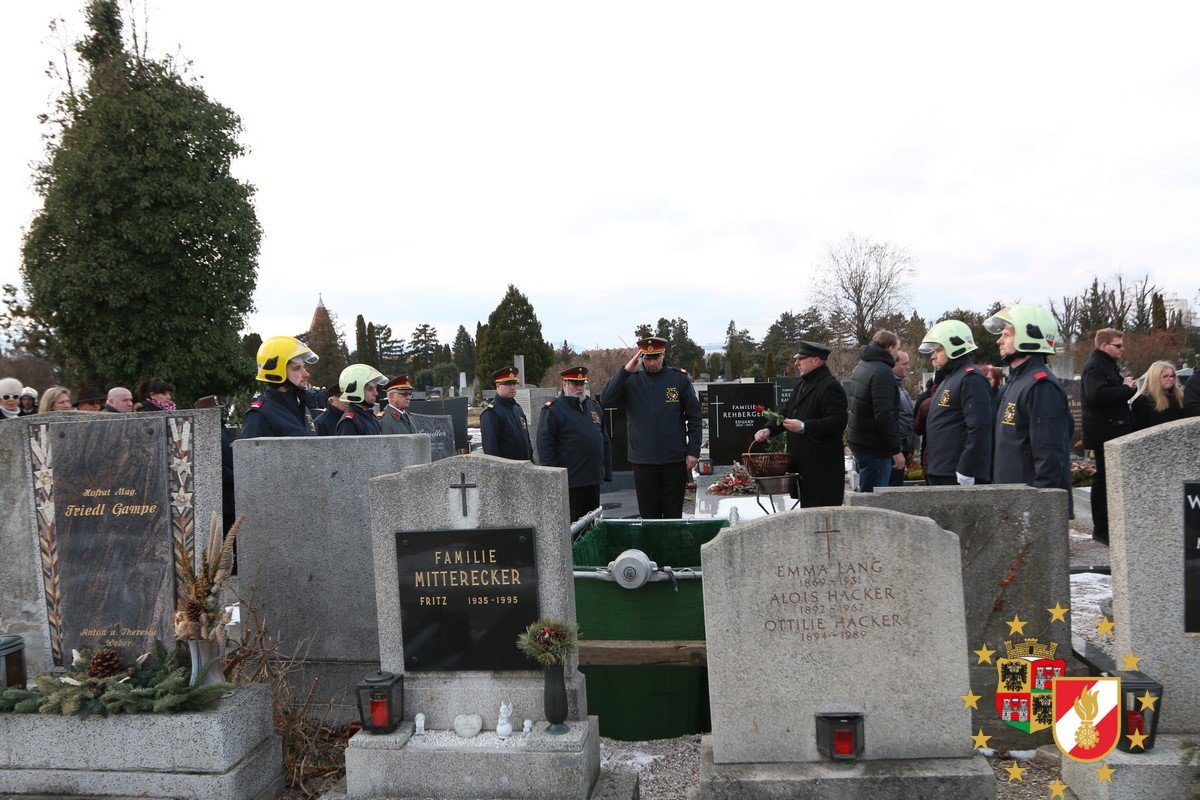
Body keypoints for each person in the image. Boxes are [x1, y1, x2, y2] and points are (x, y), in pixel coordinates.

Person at [984, 304, 1073, 513]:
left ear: (1029, 336)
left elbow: (1049, 456)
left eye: (1006, 334)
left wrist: (1040, 511)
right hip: (1014, 502)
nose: (999, 340)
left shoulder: (1041, 386)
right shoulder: (1017, 382)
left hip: (1030, 508)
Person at [599, 337, 702, 519]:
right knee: (648, 516)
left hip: (673, 458)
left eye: (656, 357)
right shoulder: (631, 381)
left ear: (663, 355)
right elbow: (606, 399)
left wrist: (693, 451)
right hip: (643, 460)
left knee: (672, 515)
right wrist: (626, 369)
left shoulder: (678, 379)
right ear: (641, 358)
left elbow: (694, 417)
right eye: (647, 358)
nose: (652, 362)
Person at [752, 341, 848, 507]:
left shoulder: (830, 386)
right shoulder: (802, 384)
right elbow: (785, 412)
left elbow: (837, 422)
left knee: (821, 517)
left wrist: (804, 427)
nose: (796, 363)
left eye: (801, 359)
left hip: (822, 470)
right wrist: (768, 429)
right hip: (804, 467)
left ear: (816, 361)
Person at [919, 319, 992, 486]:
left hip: (957, 473)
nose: (933, 356)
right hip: (943, 469)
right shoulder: (951, 378)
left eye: (938, 350)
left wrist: (966, 468)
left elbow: (979, 427)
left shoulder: (971, 378)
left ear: (955, 347)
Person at [1080, 328, 1136, 545]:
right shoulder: (1095, 366)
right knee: (1103, 481)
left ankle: (1110, 527)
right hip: (1105, 433)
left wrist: (1128, 388)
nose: (1123, 349)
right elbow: (1098, 395)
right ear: (1104, 346)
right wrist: (1126, 388)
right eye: (1118, 345)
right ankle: (1102, 529)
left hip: (1113, 430)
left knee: (1109, 480)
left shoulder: (1106, 365)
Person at [537, 366, 613, 522]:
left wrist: (606, 471)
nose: (579, 388)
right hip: (571, 480)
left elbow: (604, 440)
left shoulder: (594, 406)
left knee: (592, 525)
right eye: (575, 384)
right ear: (564, 384)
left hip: (593, 477)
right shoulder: (554, 409)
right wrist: (554, 476)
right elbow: (545, 445)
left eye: (582, 384)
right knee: (573, 525)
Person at [847, 330, 904, 493]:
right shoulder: (883, 372)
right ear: (890, 348)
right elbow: (884, 415)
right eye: (897, 349)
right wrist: (895, 450)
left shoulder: (863, 364)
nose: (897, 354)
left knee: (867, 491)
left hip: (860, 439)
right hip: (875, 445)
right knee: (875, 498)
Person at [240, 336, 321, 438]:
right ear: (276, 373)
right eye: (297, 368)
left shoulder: (301, 407)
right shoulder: (259, 415)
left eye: (303, 367)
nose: (306, 374)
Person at [481, 366, 533, 461]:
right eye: (508, 384)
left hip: (524, 466)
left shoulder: (517, 409)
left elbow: (526, 440)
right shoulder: (491, 413)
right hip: (507, 468)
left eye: (514, 384)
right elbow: (491, 451)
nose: (512, 387)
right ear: (498, 386)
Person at [1131, 361, 1185, 431]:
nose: (1171, 379)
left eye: (1172, 376)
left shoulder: (1179, 397)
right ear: (1155, 378)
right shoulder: (1142, 401)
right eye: (1166, 376)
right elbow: (1140, 430)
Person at [335, 364, 387, 435]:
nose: (376, 393)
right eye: (370, 389)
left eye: (375, 388)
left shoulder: (369, 416)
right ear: (356, 391)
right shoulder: (349, 423)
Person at [890, 349, 915, 487]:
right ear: (894, 364)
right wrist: (899, 444)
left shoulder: (898, 385)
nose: (908, 367)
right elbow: (904, 417)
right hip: (896, 448)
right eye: (905, 364)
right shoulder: (891, 385)